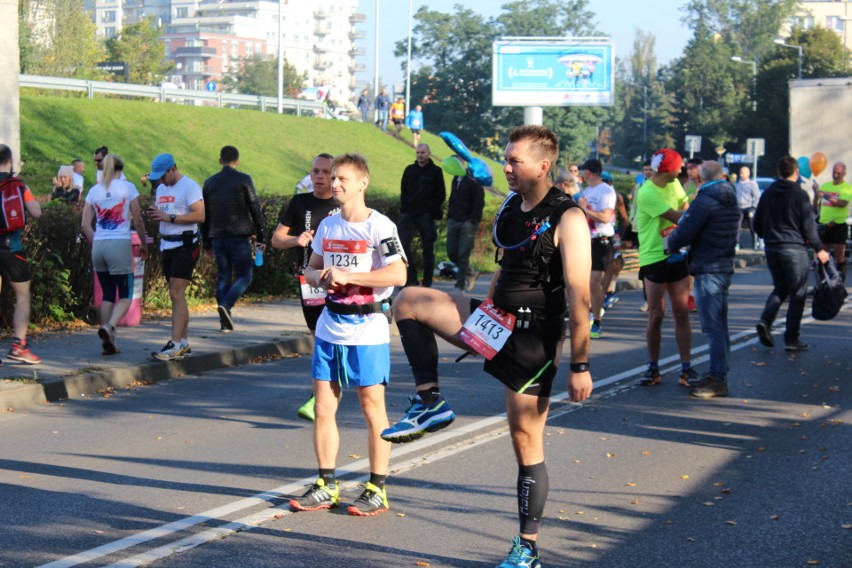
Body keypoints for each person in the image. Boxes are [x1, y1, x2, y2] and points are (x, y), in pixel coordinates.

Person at [381, 125, 593, 567]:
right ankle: (430, 402)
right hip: (497, 321)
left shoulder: (569, 217)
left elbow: (580, 297)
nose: (506, 167)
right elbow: (505, 266)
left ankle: (527, 548)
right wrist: (484, 314)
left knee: (524, 439)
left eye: (515, 160)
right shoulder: (513, 206)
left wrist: (580, 364)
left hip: (534, 339)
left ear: (542, 165)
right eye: (506, 158)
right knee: (409, 300)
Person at [288, 153, 406, 517]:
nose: (335, 184)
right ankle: (326, 484)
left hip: (368, 329)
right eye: (332, 178)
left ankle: (377, 488)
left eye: (342, 179)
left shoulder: (380, 227)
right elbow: (310, 269)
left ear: (362, 184)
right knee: (324, 407)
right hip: (329, 326)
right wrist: (320, 277)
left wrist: (350, 277)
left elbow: (398, 274)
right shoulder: (328, 225)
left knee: (373, 409)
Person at [272, 153, 340, 422]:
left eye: (325, 172)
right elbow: (277, 239)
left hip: (340, 281)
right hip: (309, 280)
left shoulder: (343, 203)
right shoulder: (300, 203)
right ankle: (321, 393)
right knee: (318, 336)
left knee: (335, 337)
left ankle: (329, 388)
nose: (320, 177)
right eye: (316, 172)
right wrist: (296, 240)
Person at [666, 161, 740, 398]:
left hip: (707, 266)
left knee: (713, 327)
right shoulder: (730, 197)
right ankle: (720, 373)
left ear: (700, 177)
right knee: (721, 326)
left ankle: (718, 379)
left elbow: (685, 230)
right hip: (723, 265)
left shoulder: (705, 199)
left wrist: (671, 243)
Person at [635, 148, 698, 387]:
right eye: (679, 167)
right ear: (668, 169)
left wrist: (692, 205)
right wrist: (696, 209)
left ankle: (686, 367)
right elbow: (680, 217)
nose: (682, 170)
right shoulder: (647, 192)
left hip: (676, 254)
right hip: (654, 257)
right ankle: (653, 368)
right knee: (656, 315)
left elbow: (685, 204)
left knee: (681, 312)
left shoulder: (674, 184)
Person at [754, 156, 830, 352]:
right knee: (798, 293)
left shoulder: (769, 192)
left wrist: (767, 236)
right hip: (793, 248)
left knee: (780, 288)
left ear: (779, 172)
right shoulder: (799, 194)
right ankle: (791, 339)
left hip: (771, 247)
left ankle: (766, 320)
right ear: (796, 172)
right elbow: (808, 225)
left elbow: (757, 222)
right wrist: (818, 248)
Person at [81, 154, 148, 355]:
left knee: (108, 294)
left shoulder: (94, 190)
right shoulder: (128, 188)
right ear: (121, 169)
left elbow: (85, 225)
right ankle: (109, 327)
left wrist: (98, 241)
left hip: (99, 245)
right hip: (119, 243)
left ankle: (109, 340)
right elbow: (138, 220)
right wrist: (144, 243)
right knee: (126, 295)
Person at [146, 153, 205, 361]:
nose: (160, 181)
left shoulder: (190, 186)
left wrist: (170, 217)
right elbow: (165, 214)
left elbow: (200, 215)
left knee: (175, 292)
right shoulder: (162, 188)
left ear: (173, 169)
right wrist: (157, 216)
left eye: (162, 176)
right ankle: (184, 343)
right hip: (167, 243)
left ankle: (174, 343)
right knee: (176, 295)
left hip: (185, 243)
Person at [200, 145, 266, 332]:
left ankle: (224, 322)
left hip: (217, 237)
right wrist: (262, 234)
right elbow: (254, 207)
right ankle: (226, 306)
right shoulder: (244, 179)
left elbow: (205, 215)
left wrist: (206, 242)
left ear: (220, 160)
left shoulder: (209, 182)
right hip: (239, 236)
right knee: (245, 275)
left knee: (223, 277)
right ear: (237, 161)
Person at [0, 144, 43, 366]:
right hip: (12, 247)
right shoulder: (18, 185)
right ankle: (19, 346)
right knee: (23, 295)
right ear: (10, 161)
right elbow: (37, 211)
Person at [575, 159, 615, 339]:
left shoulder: (606, 191)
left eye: (584, 171)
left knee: (594, 282)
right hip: (586, 239)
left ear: (589, 173)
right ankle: (586, 317)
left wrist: (585, 209)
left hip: (602, 240)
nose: (582, 174)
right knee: (582, 283)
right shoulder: (587, 190)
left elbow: (605, 218)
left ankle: (597, 321)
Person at [399, 143, 446, 287]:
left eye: (423, 152)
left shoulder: (436, 171)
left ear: (428, 153)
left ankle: (427, 282)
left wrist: (431, 210)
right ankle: (410, 278)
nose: (420, 155)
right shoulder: (410, 170)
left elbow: (441, 194)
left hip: (426, 213)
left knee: (427, 249)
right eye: (418, 152)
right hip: (410, 212)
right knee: (401, 244)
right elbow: (404, 190)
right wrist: (405, 208)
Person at [445, 156, 485, 292]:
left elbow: (479, 202)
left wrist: (473, 221)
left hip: (468, 223)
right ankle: (471, 272)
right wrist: (449, 216)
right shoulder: (455, 178)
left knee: (463, 254)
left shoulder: (473, 180)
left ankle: (459, 285)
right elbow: (452, 198)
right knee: (451, 252)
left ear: (463, 164)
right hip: (454, 220)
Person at [815, 162, 851, 283]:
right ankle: (822, 282)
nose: (835, 175)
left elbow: (842, 204)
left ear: (844, 174)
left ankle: (839, 283)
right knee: (822, 254)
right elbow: (815, 205)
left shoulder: (847, 188)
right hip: (824, 224)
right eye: (834, 172)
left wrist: (825, 195)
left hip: (838, 224)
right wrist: (816, 194)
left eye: (838, 173)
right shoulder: (825, 185)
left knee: (839, 255)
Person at [735, 166, 762, 250]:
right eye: (740, 172)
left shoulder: (752, 184)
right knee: (737, 225)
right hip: (740, 208)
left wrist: (754, 206)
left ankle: (755, 243)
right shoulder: (738, 184)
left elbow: (757, 196)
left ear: (748, 173)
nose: (741, 174)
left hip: (750, 207)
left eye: (743, 173)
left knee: (752, 225)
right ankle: (736, 243)